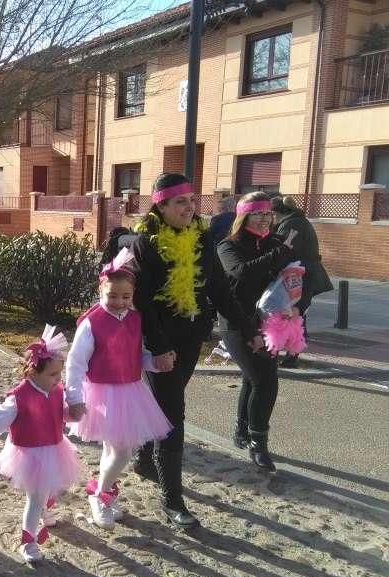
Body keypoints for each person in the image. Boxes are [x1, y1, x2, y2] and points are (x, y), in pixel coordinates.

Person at [129, 172, 260, 529]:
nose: (189, 207)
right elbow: (143, 302)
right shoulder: (147, 243)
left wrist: (248, 328)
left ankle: (143, 458)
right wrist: (157, 347)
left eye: (191, 200)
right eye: (180, 202)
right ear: (161, 206)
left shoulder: (201, 239)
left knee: (164, 404)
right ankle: (173, 500)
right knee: (173, 413)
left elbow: (219, 290)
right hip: (161, 342)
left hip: (191, 339)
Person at [66, 248, 173, 530]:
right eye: (112, 295)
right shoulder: (92, 323)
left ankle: (103, 490)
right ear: (100, 291)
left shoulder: (135, 319)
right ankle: (100, 494)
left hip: (131, 389)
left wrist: (154, 363)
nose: (119, 301)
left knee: (113, 450)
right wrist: (73, 397)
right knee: (123, 451)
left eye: (126, 296)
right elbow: (76, 363)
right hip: (103, 392)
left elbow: (135, 355)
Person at [0, 326, 81, 563]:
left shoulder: (56, 390)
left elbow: (61, 415)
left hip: (54, 447)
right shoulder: (19, 397)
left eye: (59, 374)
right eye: (53, 374)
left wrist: (75, 413)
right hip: (29, 454)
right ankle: (28, 540)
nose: (58, 379)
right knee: (35, 495)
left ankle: (44, 510)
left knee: (49, 486)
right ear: (33, 373)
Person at [217, 193, 302, 471]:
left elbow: (295, 275)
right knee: (265, 381)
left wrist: (293, 302)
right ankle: (259, 444)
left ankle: (243, 431)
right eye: (258, 213)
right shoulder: (228, 245)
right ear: (244, 217)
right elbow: (242, 272)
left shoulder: (277, 242)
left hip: (271, 323)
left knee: (253, 379)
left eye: (268, 213)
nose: (265, 218)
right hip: (238, 323)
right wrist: (281, 252)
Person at [271, 195, 333, 368]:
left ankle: (290, 355)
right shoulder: (298, 221)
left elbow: (282, 251)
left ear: (277, 212)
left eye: (271, 215)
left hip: (299, 278)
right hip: (303, 276)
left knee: (294, 315)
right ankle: (291, 354)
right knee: (297, 314)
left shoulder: (291, 224)